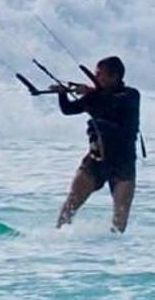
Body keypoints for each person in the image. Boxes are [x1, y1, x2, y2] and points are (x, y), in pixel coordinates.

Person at [55, 56, 142, 233]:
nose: (95, 77)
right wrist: (62, 93)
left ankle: (114, 253)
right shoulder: (95, 96)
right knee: (70, 204)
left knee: (120, 220)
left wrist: (90, 93)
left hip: (122, 165)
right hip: (96, 160)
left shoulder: (131, 95)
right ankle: (57, 238)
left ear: (114, 76)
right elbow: (68, 110)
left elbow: (112, 102)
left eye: (99, 74)